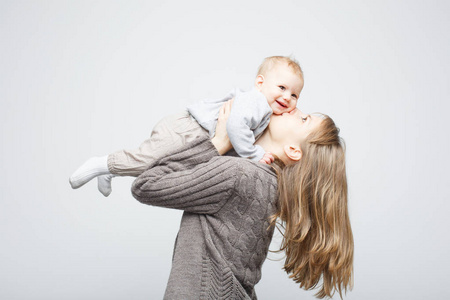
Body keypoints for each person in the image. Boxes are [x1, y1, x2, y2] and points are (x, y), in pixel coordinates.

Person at [131, 101, 354, 299]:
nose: (293, 108)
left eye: (304, 119)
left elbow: (146, 185)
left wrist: (217, 143)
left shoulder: (240, 175)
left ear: (294, 150)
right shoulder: (268, 182)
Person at [69, 56, 304, 196]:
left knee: (160, 168)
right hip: (188, 130)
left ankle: (111, 170)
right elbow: (234, 126)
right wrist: (253, 154)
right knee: (147, 161)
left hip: (194, 135)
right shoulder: (257, 101)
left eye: (294, 94)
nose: (287, 97)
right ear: (260, 83)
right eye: (282, 88)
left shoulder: (264, 107)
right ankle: (101, 163)